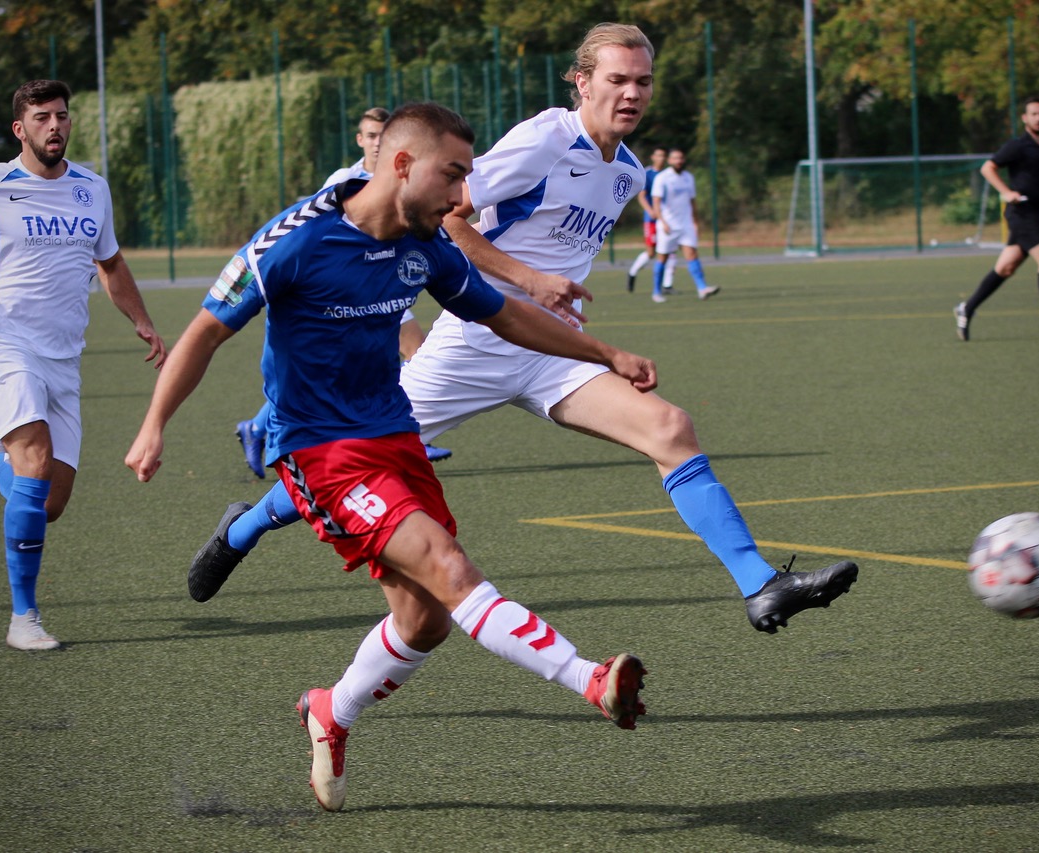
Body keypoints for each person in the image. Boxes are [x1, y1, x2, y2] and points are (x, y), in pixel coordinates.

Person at [189, 24, 857, 637]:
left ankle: (760, 585)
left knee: (670, 428)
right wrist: (528, 279)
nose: (631, 92)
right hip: (472, 342)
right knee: (350, 468)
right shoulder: (545, 138)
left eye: (643, 81)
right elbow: (449, 219)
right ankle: (242, 527)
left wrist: (567, 319)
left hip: (546, 353)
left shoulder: (626, 171)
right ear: (583, 81)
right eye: (617, 79)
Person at [124, 102, 651, 812]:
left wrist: (605, 352)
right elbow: (203, 334)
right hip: (319, 452)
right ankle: (591, 678)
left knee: (426, 619)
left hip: (394, 436)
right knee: (450, 566)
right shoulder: (293, 242)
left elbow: (503, 312)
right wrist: (154, 423)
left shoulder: (426, 242)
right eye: (454, 174)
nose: (465, 197)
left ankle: (329, 711)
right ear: (402, 165)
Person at [0, 79, 167, 650]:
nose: (55, 126)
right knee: (35, 460)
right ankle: (24, 619)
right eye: (42, 117)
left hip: (65, 360)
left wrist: (141, 320)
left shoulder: (92, 189)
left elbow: (111, 264)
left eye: (63, 116)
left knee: (47, 504)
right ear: (21, 129)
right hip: (6, 345)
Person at [233, 106, 451, 476]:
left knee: (384, 358)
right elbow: (318, 230)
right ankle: (412, 433)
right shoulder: (344, 179)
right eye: (370, 135)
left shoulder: (406, 176)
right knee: (407, 350)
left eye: (383, 134)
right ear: (360, 140)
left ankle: (257, 428)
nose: (377, 142)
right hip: (351, 286)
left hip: (388, 279)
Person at [954, 97, 1039, 341]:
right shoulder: (1018, 146)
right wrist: (1005, 192)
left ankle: (966, 308)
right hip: (1022, 213)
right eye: (1033, 114)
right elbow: (987, 168)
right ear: (1025, 118)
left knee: (1006, 267)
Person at [650, 149, 718, 303]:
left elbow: (692, 202)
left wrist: (695, 222)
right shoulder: (662, 178)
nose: (678, 161)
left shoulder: (688, 177)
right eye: (675, 158)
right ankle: (656, 291)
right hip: (668, 225)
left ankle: (702, 288)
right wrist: (662, 221)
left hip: (686, 224)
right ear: (669, 160)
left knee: (692, 254)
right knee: (663, 257)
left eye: (681, 158)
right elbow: (656, 202)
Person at [625, 146, 674, 293]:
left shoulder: (668, 175)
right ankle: (632, 272)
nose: (662, 159)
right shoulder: (648, 173)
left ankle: (667, 285)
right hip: (652, 219)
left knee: (669, 251)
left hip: (666, 218)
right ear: (653, 157)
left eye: (664, 156)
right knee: (652, 252)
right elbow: (641, 196)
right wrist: (651, 211)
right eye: (659, 155)